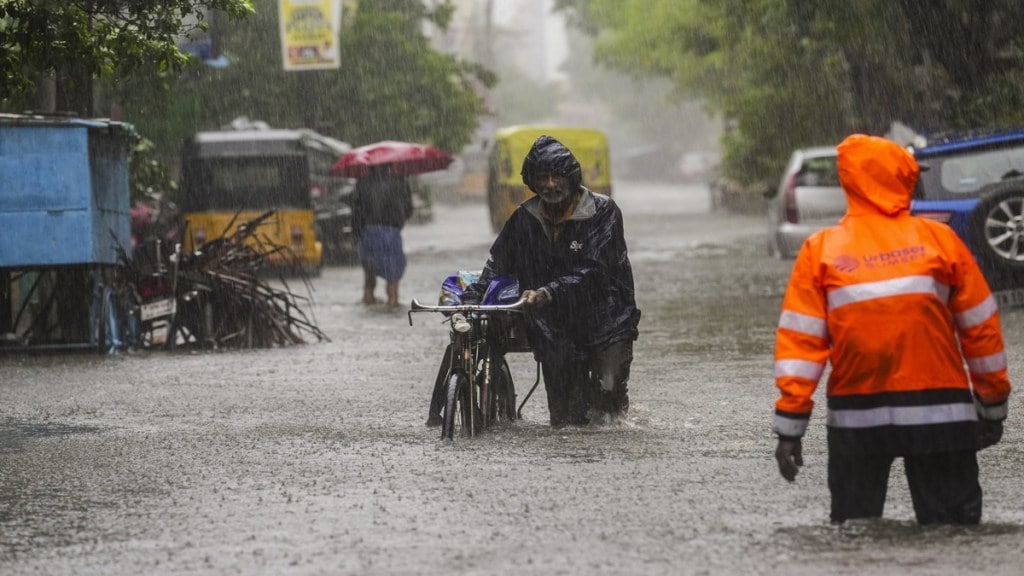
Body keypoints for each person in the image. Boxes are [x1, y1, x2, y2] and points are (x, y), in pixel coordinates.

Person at [771, 133, 1012, 525]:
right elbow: (982, 332)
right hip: (942, 415)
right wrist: (993, 409)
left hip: (857, 419)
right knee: (955, 536)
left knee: (855, 537)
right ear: (904, 178)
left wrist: (789, 428)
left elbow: (800, 347)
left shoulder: (821, 250)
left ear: (848, 182)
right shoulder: (941, 241)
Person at [457, 135, 641, 427]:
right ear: (532, 182)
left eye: (558, 176)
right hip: (554, 326)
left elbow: (596, 270)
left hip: (608, 318)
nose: (551, 184)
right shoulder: (524, 218)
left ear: (571, 178)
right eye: (542, 177)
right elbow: (497, 265)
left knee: (608, 399)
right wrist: (473, 297)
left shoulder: (603, 212)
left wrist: (549, 291)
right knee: (565, 418)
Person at [350, 165, 414, 306]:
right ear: (389, 166)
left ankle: (368, 298)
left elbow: (356, 213)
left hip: (369, 231)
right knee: (393, 271)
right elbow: (409, 210)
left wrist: (356, 234)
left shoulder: (362, 183)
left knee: (369, 269)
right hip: (391, 232)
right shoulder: (399, 182)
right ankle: (392, 300)